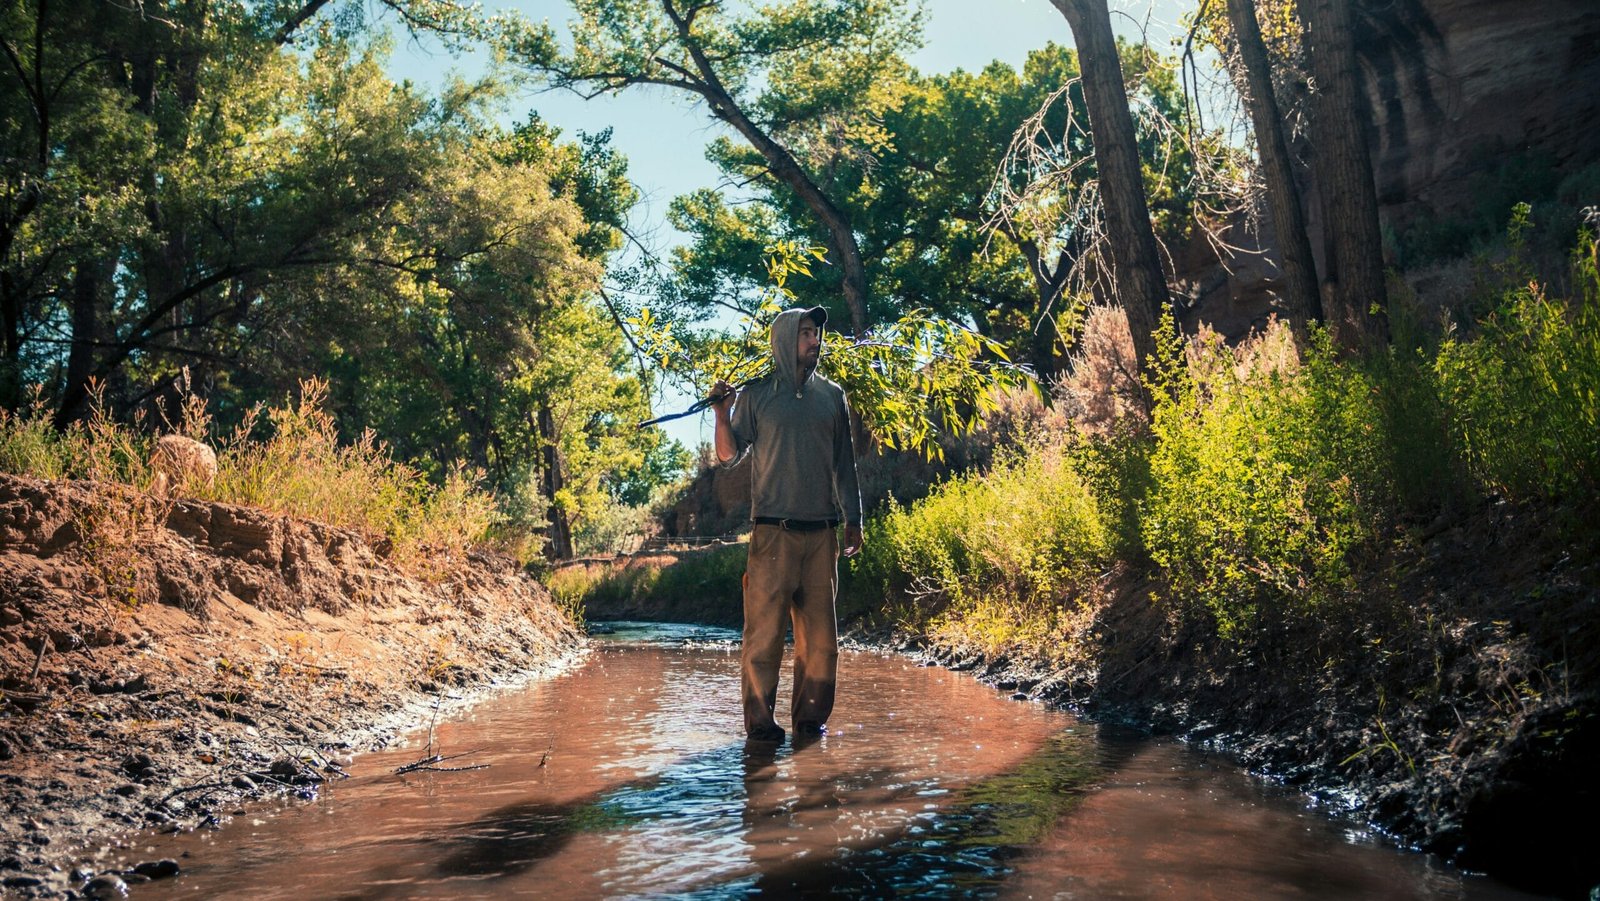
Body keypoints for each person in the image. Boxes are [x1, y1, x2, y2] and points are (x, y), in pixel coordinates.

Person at [711, 305, 863, 743]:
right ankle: (760, 729)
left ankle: (809, 726)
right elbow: (728, 456)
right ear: (784, 340)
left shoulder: (832, 396)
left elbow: (845, 464)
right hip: (771, 536)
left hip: (822, 536)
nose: (815, 342)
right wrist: (722, 416)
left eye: (817, 335)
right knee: (763, 640)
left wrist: (854, 517)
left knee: (821, 644)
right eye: (806, 334)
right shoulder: (758, 395)